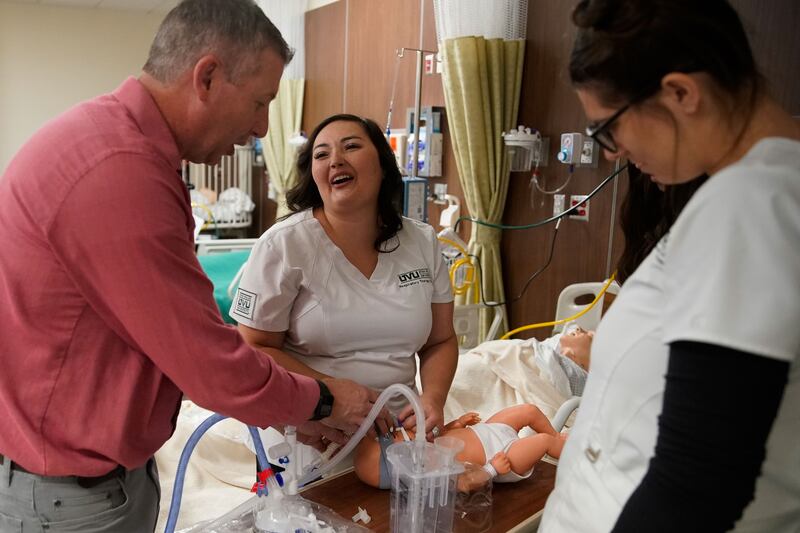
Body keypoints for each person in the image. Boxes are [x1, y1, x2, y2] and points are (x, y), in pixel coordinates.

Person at [0, 2, 376, 531]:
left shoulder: (113, 144)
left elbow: (159, 338)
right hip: (70, 497)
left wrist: (295, 408)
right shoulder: (119, 172)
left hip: (96, 477)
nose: (260, 127)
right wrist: (322, 400)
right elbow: (211, 362)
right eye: (260, 102)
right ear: (207, 77)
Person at [540, 1, 800, 532]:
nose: (612, 154)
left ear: (681, 93)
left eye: (607, 129)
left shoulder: (748, 201)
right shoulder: (769, 190)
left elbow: (697, 482)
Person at [231, 113, 459, 460]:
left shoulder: (421, 241)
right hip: (315, 429)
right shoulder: (284, 245)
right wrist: (329, 394)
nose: (335, 159)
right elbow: (253, 348)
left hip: (402, 431)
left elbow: (440, 340)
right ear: (314, 175)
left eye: (351, 146)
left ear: (383, 165)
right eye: (321, 155)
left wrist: (433, 399)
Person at [353, 404, 566, 489]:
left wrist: (457, 424)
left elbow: (440, 433)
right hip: (502, 456)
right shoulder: (432, 470)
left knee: (528, 411)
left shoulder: (423, 440)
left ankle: (556, 435)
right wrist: (492, 469)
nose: (397, 431)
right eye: (393, 437)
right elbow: (465, 482)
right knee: (543, 442)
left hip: (488, 430)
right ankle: (564, 449)